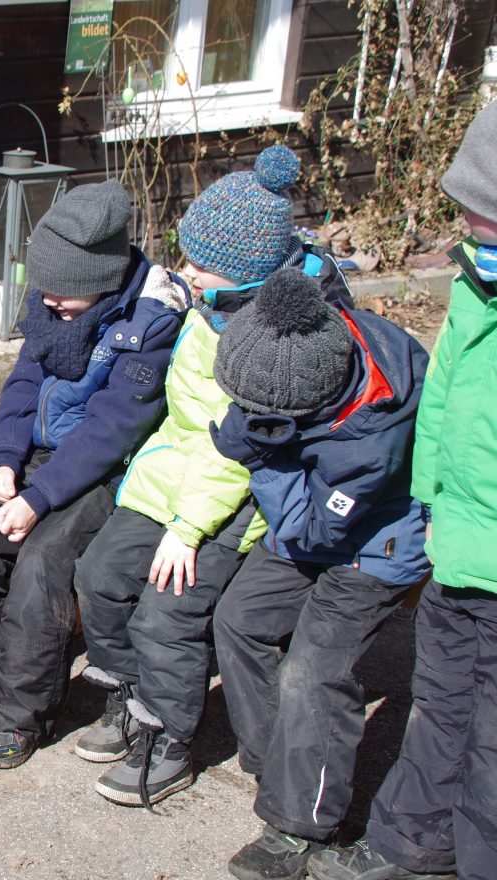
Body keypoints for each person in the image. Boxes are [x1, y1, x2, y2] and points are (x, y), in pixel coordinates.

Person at [71, 144, 348, 807]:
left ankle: (169, 738)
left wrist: (187, 529)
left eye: (199, 263)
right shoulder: (210, 304)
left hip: (237, 494)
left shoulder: (272, 337)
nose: (183, 270)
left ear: (246, 272)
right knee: (100, 575)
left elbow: (239, 446)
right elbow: (185, 418)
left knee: (166, 614)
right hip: (176, 469)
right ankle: (133, 695)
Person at [0, 180, 188, 769]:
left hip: (102, 472)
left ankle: (19, 715)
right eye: (43, 289)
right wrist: (4, 461)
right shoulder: (53, 307)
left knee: (43, 562)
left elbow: (112, 430)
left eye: (62, 292)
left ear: (102, 280)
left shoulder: (149, 325)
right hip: (37, 459)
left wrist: (39, 498)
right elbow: (23, 385)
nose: (48, 301)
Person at [307, 100, 497, 880]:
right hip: (456, 541)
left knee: (492, 747)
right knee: (440, 707)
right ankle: (407, 846)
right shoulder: (476, 284)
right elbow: (444, 404)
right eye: (467, 205)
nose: (468, 223)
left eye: (485, 212)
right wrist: (428, 503)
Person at [206, 268, 430, 880]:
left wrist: (260, 457)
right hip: (308, 508)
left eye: (260, 412)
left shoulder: (368, 443)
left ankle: (298, 824)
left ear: (304, 408)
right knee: (240, 618)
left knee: (313, 672)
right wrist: (260, 427)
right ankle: (280, 763)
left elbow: (314, 531)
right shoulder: (311, 343)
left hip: (374, 544)